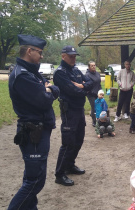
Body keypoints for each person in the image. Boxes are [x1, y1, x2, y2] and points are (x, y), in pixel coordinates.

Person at [8, 34, 60, 209]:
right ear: (29, 51)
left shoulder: (31, 72)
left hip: (39, 131)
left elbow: (50, 87)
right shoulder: (23, 76)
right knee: (35, 181)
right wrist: (48, 90)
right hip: (33, 133)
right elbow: (44, 99)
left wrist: (48, 88)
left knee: (32, 178)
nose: (42, 56)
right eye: (39, 52)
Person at [53, 45, 93, 186]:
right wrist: (84, 89)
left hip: (79, 109)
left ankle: (70, 165)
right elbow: (72, 92)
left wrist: (82, 86)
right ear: (63, 56)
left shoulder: (75, 70)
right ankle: (60, 173)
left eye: (75, 56)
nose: (73, 58)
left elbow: (91, 82)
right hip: (69, 111)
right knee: (68, 142)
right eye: (70, 56)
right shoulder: (60, 73)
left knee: (79, 139)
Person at [86, 61, 102, 127]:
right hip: (91, 93)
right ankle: (94, 121)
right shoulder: (87, 75)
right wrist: (90, 91)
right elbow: (86, 85)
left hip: (98, 92)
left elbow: (99, 83)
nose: (93, 67)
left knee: (99, 106)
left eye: (94, 65)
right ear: (89, 67)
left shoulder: (97, 74)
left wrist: (101, 91)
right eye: (92, 66)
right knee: (94, 107)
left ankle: (100, 120)